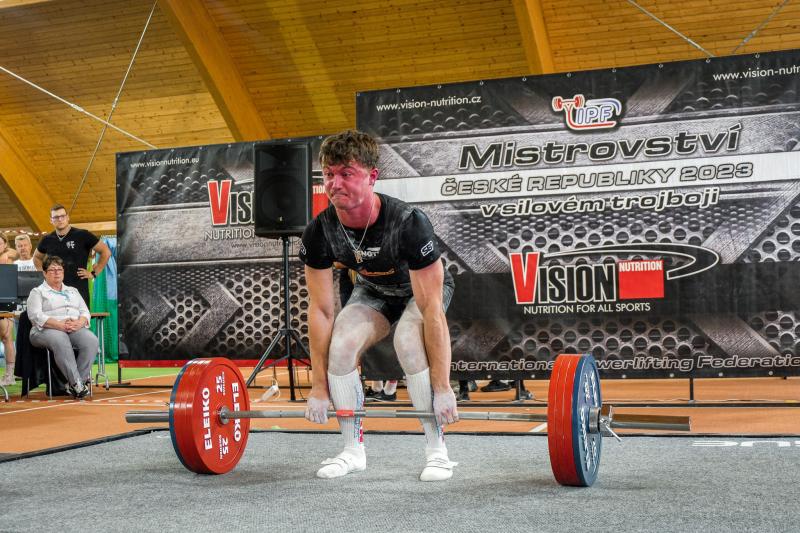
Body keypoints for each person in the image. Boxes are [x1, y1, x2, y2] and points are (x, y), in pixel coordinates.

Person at [300, 129, 458, 481]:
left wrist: (443, 386)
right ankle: (352, 451)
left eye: (346, 173)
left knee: (408, 340)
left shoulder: (408, 223)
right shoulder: (319, 232)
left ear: (372, 177)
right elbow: (322, 312)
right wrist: (319, 387)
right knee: (341, 344)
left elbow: (431, 309)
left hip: (419, 293)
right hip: (375, 290)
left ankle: (437, 451)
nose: (335, 183)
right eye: (329, 174)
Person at [27, 255, 99, 399]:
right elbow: (35, 316)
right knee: (60, 339)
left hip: (72, 327)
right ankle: (77, 384)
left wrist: (80, 322)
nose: (57, 273)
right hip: (44, 330)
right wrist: (59, 325)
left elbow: (85, 312)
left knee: (91, 341)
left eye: (59, 269)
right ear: (44, 273)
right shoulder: (37, 292)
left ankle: (76, 384)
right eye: (52, 270)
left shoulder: (73, 290)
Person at [33, 204, 111, 307]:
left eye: (62, 216)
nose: (60, 219)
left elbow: (105, 251)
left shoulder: (82, 235)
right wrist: (44, 274)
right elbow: (37, 257)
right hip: (54, 291)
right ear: (51, 220)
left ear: (68, 217)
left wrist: (94, 273)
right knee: (56, 316)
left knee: (80, 317)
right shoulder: (47, 239)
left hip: (79, 289)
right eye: (56, 217)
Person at [0, 234, 16, 386]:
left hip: (4, 301)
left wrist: (6, 254)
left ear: (5, 244)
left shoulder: (9, 256)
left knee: (6, 337)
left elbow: (15, 252)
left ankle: (9, 375)